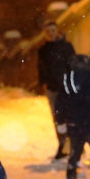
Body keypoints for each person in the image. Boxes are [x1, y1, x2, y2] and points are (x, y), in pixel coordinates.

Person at [37, 21, 76, 160]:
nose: (50, 34)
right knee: (57, 119)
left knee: (70, 117)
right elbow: (41, 69)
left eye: (53, 30)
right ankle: (62, 145)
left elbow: (73, 65)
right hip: (52, 89)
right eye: (47, 32)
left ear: (58, 31)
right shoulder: (43, 50)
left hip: (66, 88)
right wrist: (43, 83)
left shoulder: (66, 47)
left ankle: (74, 145)